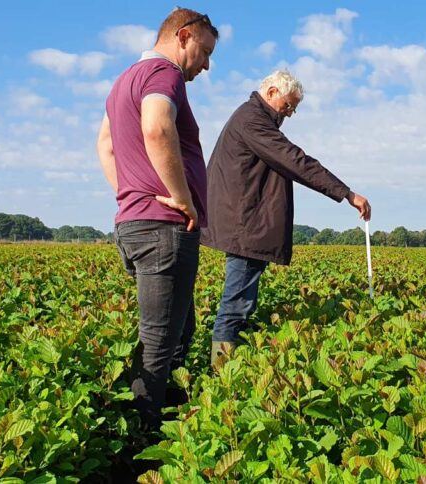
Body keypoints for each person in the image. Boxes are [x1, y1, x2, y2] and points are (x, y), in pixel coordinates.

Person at [96, 7, 218, 429]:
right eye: (204, 52)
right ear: (183, 36)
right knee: (159, 343)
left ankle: (168, 417)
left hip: (135, 224)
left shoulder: (123, 81)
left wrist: (130, 194)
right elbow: (157, 129)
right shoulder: (163, 73)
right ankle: (144, 442)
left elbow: (107, 146)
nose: (205, 65)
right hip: (163, 228)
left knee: (179, 329)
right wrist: (181, 197)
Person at [201, 70, 371, 367]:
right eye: (288, 106)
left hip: (246, 223)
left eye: (294, 109)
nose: (290, 114)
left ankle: (229, 366)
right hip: (245, 225)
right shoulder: (252, 120)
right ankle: (220, 376)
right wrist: (346, 193)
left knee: (241, 303)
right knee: (236, 305)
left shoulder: (255, 118)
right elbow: (295, 160)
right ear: (270, 93)